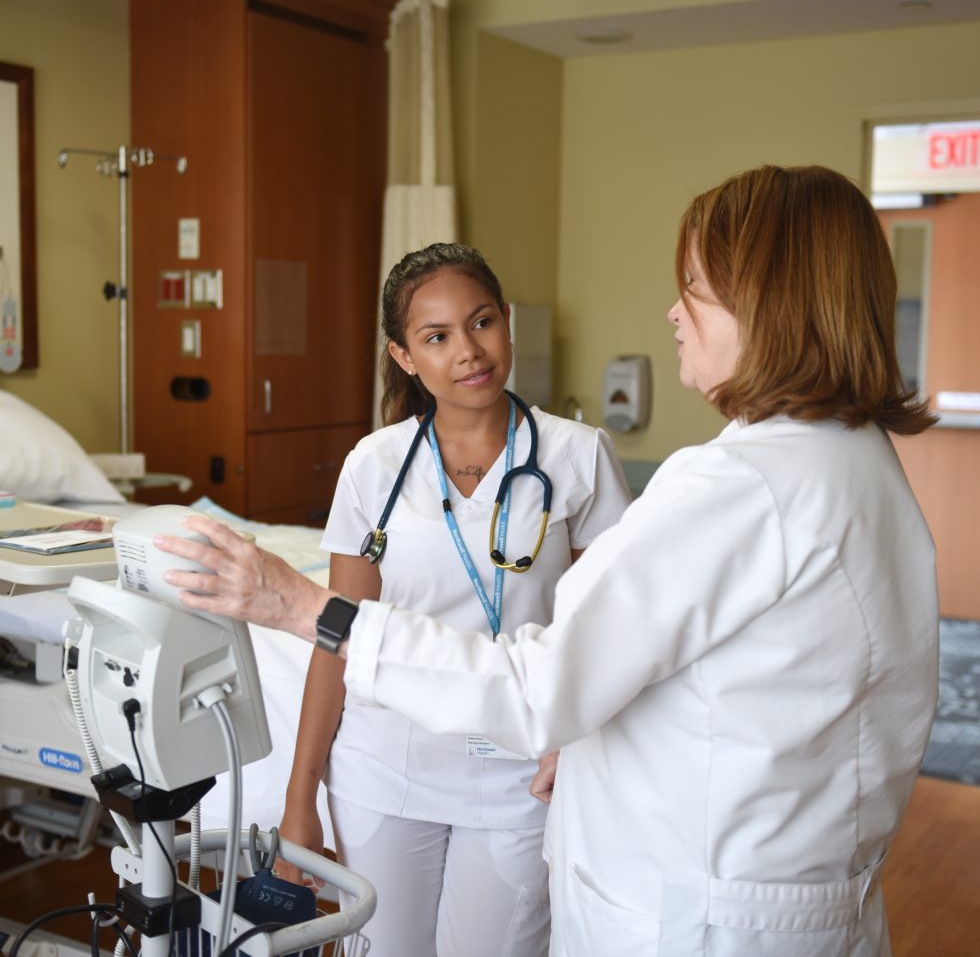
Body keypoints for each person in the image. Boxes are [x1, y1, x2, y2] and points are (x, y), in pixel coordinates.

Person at [160, 166, 940, 956]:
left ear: (768, 301)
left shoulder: (733, 486)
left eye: (695, 285)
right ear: (404, 356)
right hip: (781, 891)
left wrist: (300, 606)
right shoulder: (857, 465)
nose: (673, 311)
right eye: (434, 337)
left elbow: (542, 685)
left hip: (697, 908)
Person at [167, 242, 631, 957]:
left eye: (481, 323)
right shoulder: (375, 466)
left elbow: (608, 632)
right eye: (436, 337)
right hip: (385, 769)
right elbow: (334, 632)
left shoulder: (577, 457)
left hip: (520, 775)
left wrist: (577, 741)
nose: (468, 352)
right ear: (405, 356)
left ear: (507, 323)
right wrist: (301, 799)